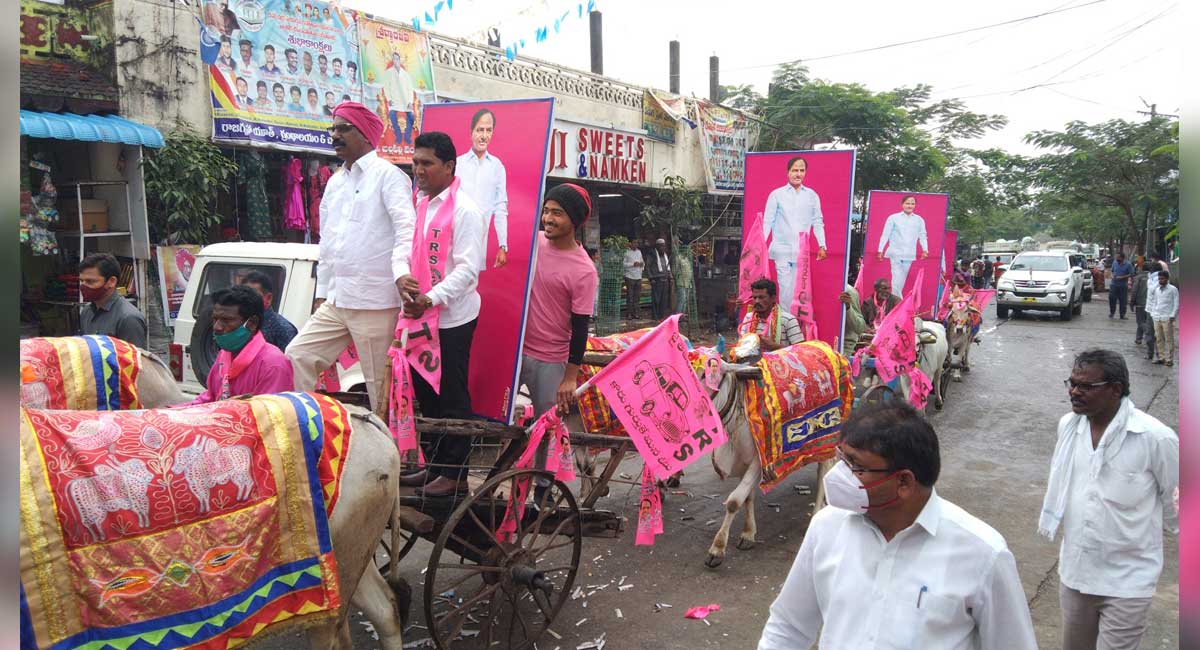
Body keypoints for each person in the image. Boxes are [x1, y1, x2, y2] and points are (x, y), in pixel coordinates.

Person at [758, 402, 1038, 650]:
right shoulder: (827, 527)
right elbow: (788, 627)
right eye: (842, 457)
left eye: (855, 465)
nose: (839, 474)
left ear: (904, 482)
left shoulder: (984, 555)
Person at [1039, 349, 1178, 650]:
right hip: (1076, 572)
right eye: (1072, 383)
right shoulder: (1068, 427)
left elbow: (1178, 502)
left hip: (1128, 581)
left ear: (1116, 389)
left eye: (1085, 386)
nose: (1074, 392)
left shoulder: (1155, 438)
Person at [286, 101, 415, 411]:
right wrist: (322, 293)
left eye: (344, 129)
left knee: (380, 389)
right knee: (296, 356)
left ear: (367, 135)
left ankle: (390, 455)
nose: (335, 136)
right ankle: (309, 429)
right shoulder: (335, 182)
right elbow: (328, 243)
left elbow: (406, 230)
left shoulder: (389, 176)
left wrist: (401, 274)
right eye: (333, 128)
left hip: (375, 301)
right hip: (338, 300)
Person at [395, 132, 487, 497]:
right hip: (420, 316)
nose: (418, 170)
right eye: (415, 163)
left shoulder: (465, 210)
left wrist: (430, 299)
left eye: (427, 163)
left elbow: (468, 272)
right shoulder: (421, 204)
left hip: (451, 318)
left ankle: (455, 474)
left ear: (449, 166)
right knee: (425, 392)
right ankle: (434, 465)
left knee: (451, 394)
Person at [519, 183, 598, 420]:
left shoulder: (584, 270)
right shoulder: (534, 242)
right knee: (502, 419)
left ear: (573, 220)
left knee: (548, 428)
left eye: (557, 213)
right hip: (516, 351)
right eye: (546, 211)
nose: (548, 219)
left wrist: (570, 377)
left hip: (551, 360)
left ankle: (545, 460)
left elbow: (580, 327)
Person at [184, 285, 295, 405]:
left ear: (252, 323)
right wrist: (171, 413)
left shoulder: (273, 365)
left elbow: (269, 417)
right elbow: (210, 398)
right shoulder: (224, 355)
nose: (217, 327)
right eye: (215, 319)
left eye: (226, 320)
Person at [762, 157, 826, 314]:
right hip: (782, 250)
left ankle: (794, 326)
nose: (798, 174)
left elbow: (817, 221)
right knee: (785, 290)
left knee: (800, 290)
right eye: (795, 170)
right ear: (788, 172)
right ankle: (784, 326)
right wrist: (761, 244)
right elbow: (767, 221)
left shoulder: (811, 196)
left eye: (801, 170)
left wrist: (822, 245)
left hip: (801, 252)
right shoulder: (777, 195)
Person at [455, 109, 509, 268]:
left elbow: (500, 207)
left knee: (471, 285)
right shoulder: (457, 164)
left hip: (479, 244)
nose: (484, 135)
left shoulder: (497, 167)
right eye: (480, 130)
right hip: (454, 239)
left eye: (488, 130)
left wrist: (502, 245)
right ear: (471, 132)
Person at [78, 252, 147, 348]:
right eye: (82, 281)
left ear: (111, 281)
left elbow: (133, 360)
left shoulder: (128, 318)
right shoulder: (87, 312)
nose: (83, 286)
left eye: (90, 281)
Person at [876, 195, 929, 297]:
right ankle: (898, 303)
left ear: (915, 205)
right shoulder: (893, 218)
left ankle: (893, 302)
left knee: (901, 280)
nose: (910, 206)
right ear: (902, 204)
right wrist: (880, 250)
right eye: (907, 203)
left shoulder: (919, 220)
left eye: (912, 203)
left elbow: (923, 235)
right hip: (895, 252)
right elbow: (885, 234)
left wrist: (925, 250)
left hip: (909, 253)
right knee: (896, 277)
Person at [240, 270, 298, 353]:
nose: (247, 300)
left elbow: (289, 362)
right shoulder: (239, 322)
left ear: (268, 298)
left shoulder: (282, 328)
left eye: (253, 295)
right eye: (243, 295)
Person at [739, 278, 803, 351]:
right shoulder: (748, 318)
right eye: (754, 297)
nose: (757, 301)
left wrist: (775, 347)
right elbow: (741, 346)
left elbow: (800, 351)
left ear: (773, 298)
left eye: (761, 297)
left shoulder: (788, 319)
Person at [382, 51, 415, 145]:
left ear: (399, 60)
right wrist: (389, 99)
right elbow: (386, 87)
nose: (395, 61)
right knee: (392, 116)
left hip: (405, 101)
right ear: (392, 60)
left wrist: (410, 102)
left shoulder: (405, 74)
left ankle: (407, 137)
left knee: (411, 118)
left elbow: (410, 89)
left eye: (397, 59)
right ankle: (399, 136)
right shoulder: (388, 73)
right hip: (394, 100)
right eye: (394, 59)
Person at [1146, 270, 1178, 367]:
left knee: (1169, 339)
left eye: (1162, 279)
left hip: (1167, 317)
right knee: (1159, 338)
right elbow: (1155, 302)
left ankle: (1169, 359)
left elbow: (1176, 303)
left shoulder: (1173, 289)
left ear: (1167, 279)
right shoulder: (1157, 289)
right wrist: (1153, 313)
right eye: (1159, 279)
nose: (1160, 280)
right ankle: (1161, 358)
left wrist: (1173, 315)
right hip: (1157, 316)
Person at [646, 238, 672, 320]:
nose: (663, 248)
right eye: (661, 246)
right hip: (656, 280)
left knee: (663, 300)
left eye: (664, 246)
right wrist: (651, 278)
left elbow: (668, 267)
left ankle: (661, 316)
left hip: (665, 279)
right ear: (657, 246)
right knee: (656, 299)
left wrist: (670, 276)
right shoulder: (652, 254)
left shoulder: (665, 255)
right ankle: (655, 317)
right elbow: (648, 267)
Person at [840, 283, 866, 358]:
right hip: (818, 346)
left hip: (843, 349)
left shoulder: (848, 291)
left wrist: (848, 307)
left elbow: (860, 327)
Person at [1131, 262, 1153, 347]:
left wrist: (1132, 302)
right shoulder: (1153, 278)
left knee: (1140, 322)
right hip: (1151, 304)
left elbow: (1134, 290)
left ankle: (1150, 334)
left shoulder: (1139, 277)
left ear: (1141, 268)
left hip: (1141, 303)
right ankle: (1138, 338)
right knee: (1143, 321)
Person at [622, 239, 644, 319]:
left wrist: (642, 265)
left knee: (637, 297)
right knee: (630, 296)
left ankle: (636, 313)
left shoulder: (639, 252)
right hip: (629, 276)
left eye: (637, 242)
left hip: (638, 276)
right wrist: (632, 264)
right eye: (634, 242)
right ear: (630, 243)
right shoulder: (626, 252)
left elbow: (642, 262)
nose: (636, 244)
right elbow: (623, 264)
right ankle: (629, 314)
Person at [1109, 252, 1134, 319]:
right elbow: (1112, 271)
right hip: (1113, 284)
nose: (1117, 259)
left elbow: (1131, 274)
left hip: (1123, 285)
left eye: (1118, 257)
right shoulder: (1114, 262)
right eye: (1116, 257)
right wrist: (1112, 276)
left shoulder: (1128, 264)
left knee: (1123, 300)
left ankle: (1122, 315)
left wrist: (1122, 277)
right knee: (1112, 299)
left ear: (1122, 258)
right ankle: (1112, 313)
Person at [674, 245, 694, 315]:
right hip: (681, 282)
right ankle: (678, 315)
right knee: (681, 300)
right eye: (687, 250)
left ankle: (683, 315)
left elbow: (690, 271)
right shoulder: (678, 258)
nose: (688, 251)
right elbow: (674, 271)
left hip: (688, 283)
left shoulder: (688, 259)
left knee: (685, 300)